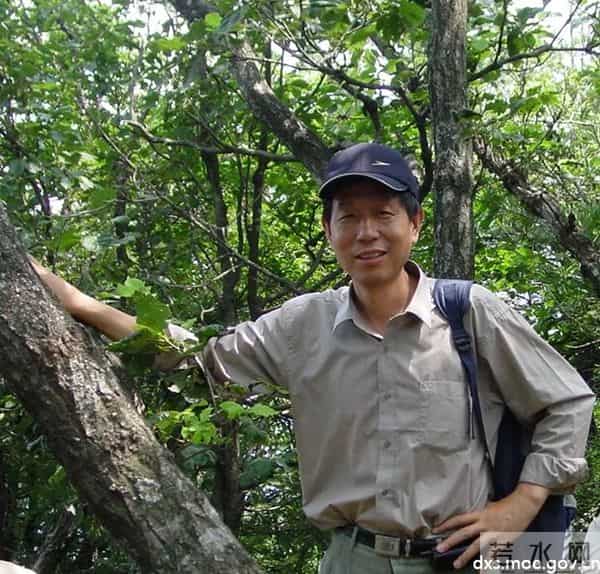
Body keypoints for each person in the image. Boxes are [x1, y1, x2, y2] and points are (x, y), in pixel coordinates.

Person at [31, 143, 595, 574]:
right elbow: (200, 361)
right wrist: (79, 304)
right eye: (348, 217)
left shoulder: (469, 313)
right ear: (329, 231)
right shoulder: (303, 326)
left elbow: (567, 402)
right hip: (353, 560)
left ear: (415, 224)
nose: (367, 233)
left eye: (384, 214)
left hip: (464, 558)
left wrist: (522, 504)